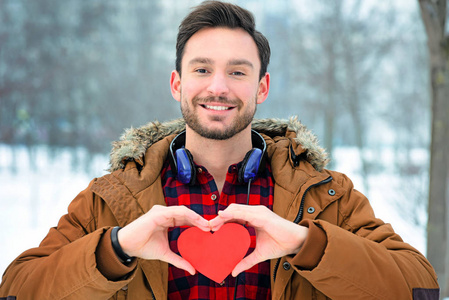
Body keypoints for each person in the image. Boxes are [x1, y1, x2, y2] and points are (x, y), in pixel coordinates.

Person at [0, 1, 440, 299]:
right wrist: (116, 248)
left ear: (261, 87)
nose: (218, 86)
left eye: (238, 71)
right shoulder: (111, 200)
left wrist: (307, 243)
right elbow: (17, 287)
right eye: (202, 69)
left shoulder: (325, 197)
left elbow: (420, 287)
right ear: (177, 84)